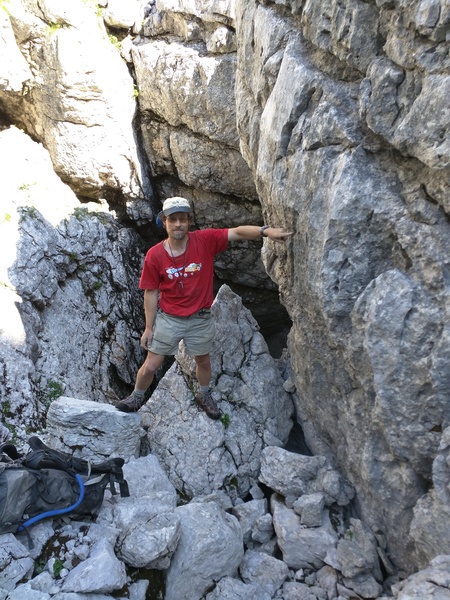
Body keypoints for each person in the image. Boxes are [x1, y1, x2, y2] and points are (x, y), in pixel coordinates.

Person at [116, 196, 293, 419]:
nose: (178, 224)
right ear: (164, 222)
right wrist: (149, 328)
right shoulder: (155, 255)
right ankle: (136, 397)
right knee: (151, 365)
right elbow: (151, 292)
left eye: (182, 219)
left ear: (189, 221)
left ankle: (204, 394)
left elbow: (237, 233)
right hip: (169, 318)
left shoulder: (204, 240)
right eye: (173, 219)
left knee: (203, 361)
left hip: (200, 318)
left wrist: (265, 231)